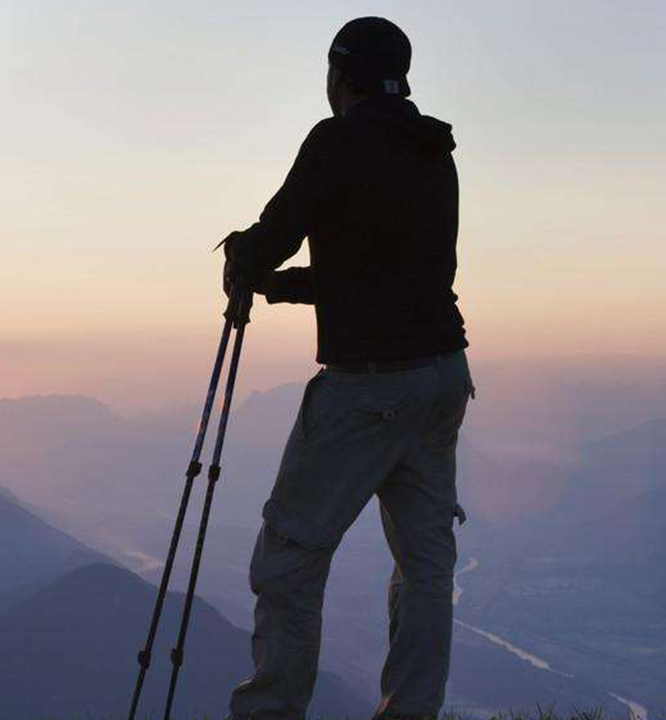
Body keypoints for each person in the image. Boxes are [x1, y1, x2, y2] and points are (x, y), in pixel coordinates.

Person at [221, 16, 473, 720]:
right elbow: (378, 273)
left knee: (290, 559)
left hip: (369, 386)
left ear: (341, 76)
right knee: (425, 566)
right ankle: (412, 711)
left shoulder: (336, 141)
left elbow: (272, 238)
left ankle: (271, 711)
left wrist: (246, 259)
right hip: (442, 375)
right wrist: (287, 285)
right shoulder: (433, 151)